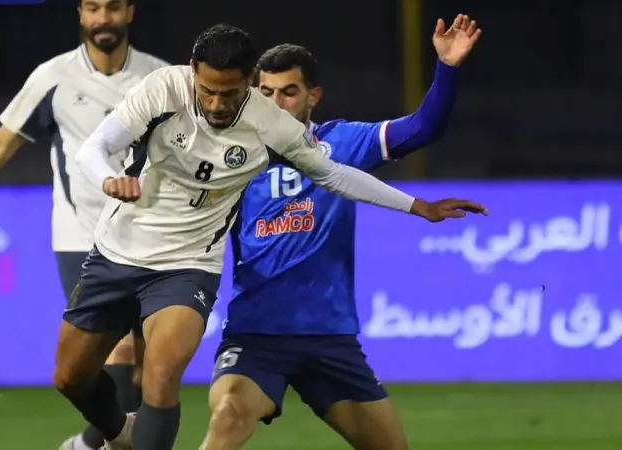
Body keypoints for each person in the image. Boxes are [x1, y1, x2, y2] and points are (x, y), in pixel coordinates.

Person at [53, 23, 486, 450]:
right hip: (181, 290)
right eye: (209, 91)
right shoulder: (169, 95)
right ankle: (120, 434)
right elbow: (98, 149)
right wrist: (109, 179)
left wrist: (417, 205)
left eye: (231, 93)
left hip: (245, 295)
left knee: (162, 376)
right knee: (75, 378)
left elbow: (349, 167)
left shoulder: (296, 133)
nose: (218, 104)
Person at [199, 15, 482, 450]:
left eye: (289, 92)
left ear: (313, 96)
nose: (276, 104)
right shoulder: (228, 155)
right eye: (266, 93)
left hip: (329, 339)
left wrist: (447, 68)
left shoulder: (342, 143)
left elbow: (423, 128)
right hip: (256, 336)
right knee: (228, 415)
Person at [0, 2, 167, 449]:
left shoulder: (159, 78)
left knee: (148, 373)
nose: (103, 18)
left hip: (149, 238)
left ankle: (87, 445)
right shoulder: (54, 77)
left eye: (113, 7)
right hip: (83, 238)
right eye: (93, 7)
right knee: (114, 354)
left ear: (130, 11)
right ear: (80, 14)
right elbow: (3, 142)